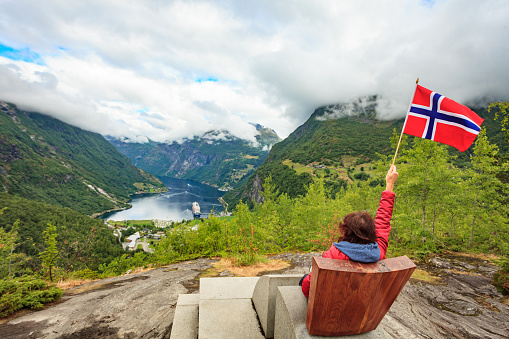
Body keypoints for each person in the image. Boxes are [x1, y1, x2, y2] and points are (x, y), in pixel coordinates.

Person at [300, 164, 399, 298]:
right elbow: (383, 220)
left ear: (347, 232)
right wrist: (389, 185)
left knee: (305, 279)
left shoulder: (333, 255)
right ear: (371, 233)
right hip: (360, 308)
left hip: (332, 308)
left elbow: (308, 288)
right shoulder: (379, 251)